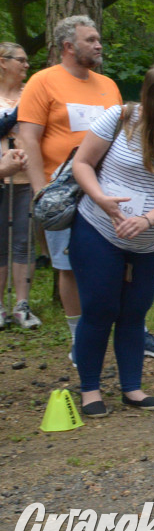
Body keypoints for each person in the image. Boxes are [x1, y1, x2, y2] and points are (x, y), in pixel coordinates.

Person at [18, 16, 154, 358]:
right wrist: (39, 189)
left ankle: (136, 331)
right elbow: (27, 137)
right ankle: (80, 341)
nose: (99, 44)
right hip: (66, 192)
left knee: (123, 260)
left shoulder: (107, 85)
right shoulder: (42, 82)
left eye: (98, 39)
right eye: (90, 40)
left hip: (111, 189)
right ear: (68, 46)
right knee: (69, 266)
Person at [69, 63, 154, 416]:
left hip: (148, 240)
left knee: (134, 314)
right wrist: (100, 198)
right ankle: (90, 391)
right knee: (99, 310)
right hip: (98, 229)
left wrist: (148, 220)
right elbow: (82, 163)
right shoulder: (119, 117)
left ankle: (133, 388)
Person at [0, 42, 40, 328]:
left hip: (28, 177)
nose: (27, 65)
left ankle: (21, 304)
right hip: (0, 176)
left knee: (25, 240)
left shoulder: (32, 94)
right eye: (21, 60)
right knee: (0, 241)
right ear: (3, 62)